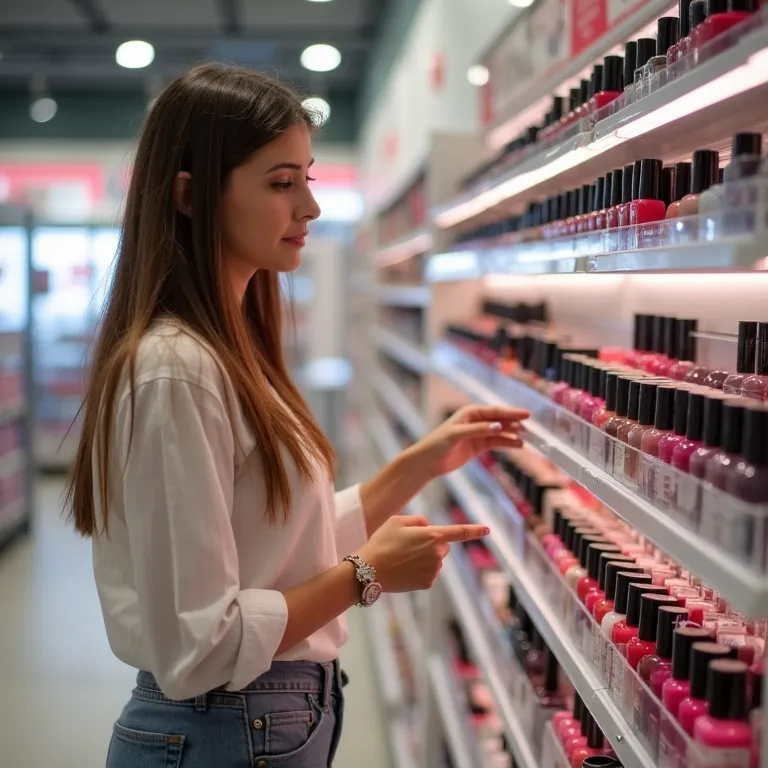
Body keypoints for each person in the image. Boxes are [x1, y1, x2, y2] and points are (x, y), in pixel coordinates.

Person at [64, 63, 528, 768]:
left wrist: (419, 464)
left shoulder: (231, 349)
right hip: (222, 727)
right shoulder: (177, 368)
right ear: (190, 195)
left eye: (308, 178)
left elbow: (270, 544)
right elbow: (203, 645)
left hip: (258, 720)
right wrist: (365, 575)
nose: (309, 208)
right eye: (283, 183)